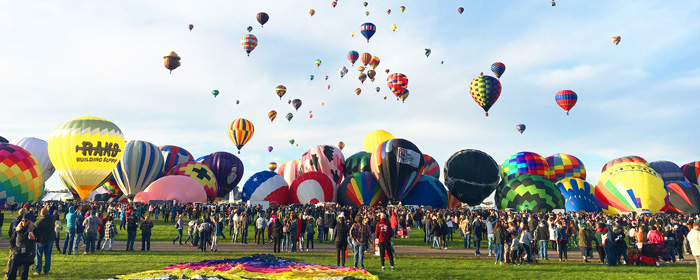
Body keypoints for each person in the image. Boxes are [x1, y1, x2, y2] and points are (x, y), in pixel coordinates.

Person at [7, 214, 36, 280]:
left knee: (24, 274)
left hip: (27, 254)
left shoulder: (33, 229)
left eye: (26, 221)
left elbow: (39, 239)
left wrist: (33, 238)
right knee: (12, 272)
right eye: (22, 221)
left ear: (29, 221)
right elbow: (12, 241)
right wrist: (15, 249)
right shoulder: (17, 230)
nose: (24, 222)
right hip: (17, 253)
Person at [33, 209, 55, 275]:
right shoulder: (51, 220)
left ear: (41, 213)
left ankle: (38, 270)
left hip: (41, 240)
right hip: (49, 239)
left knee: (39, 255)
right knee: (48, 255)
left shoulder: (39, 222)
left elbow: (35, 231)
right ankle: (46, 269)